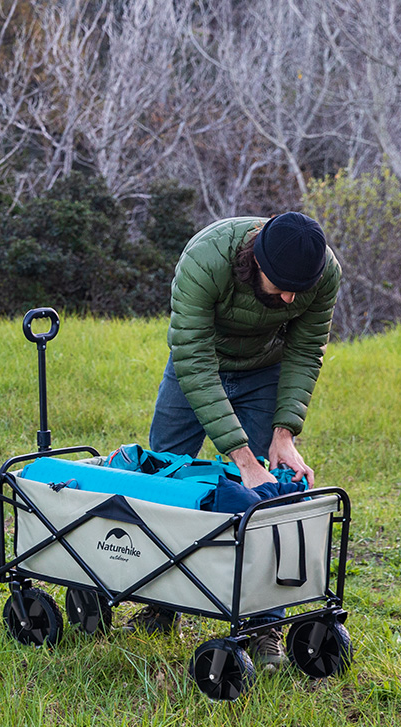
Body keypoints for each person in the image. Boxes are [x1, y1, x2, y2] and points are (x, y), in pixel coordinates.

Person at [131, 212, 341, 669]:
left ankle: (265, 625)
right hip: (197, 367)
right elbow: (193, 358)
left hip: (266, 367)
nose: (290, 297)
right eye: (281, 285)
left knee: (268, 497)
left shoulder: (323, 273)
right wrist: (242, 455)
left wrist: (284, 433)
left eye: (298, 290)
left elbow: (306, 350)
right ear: (254, 263)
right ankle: (162, 603)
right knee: (167, 477)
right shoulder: (205, 259)